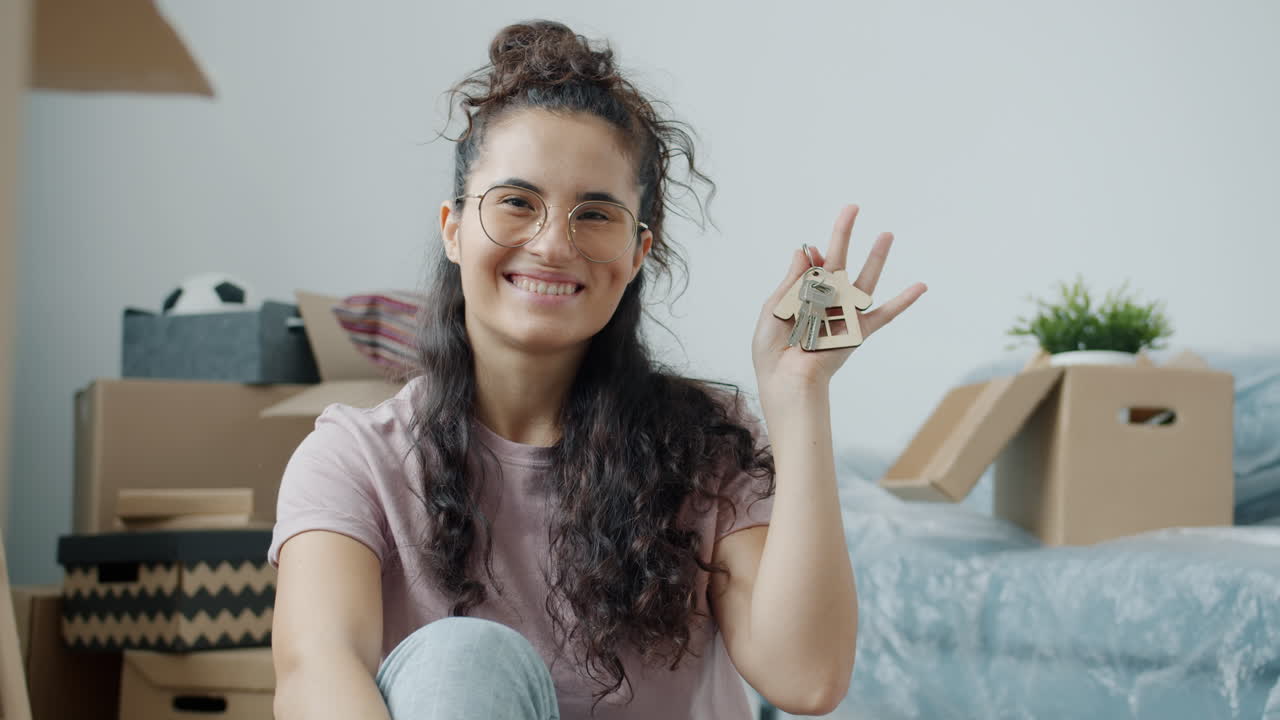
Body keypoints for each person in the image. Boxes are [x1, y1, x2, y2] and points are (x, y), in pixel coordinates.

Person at [268, 19, 926, 720]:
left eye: (596, 214)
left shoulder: (706, 445)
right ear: (454, 228)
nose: (554, 244)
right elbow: (316, 673)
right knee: (461, 659)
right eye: (517, 203)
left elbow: (808, 679)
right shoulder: (354, 459)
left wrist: (798, 398)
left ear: (639, 252)